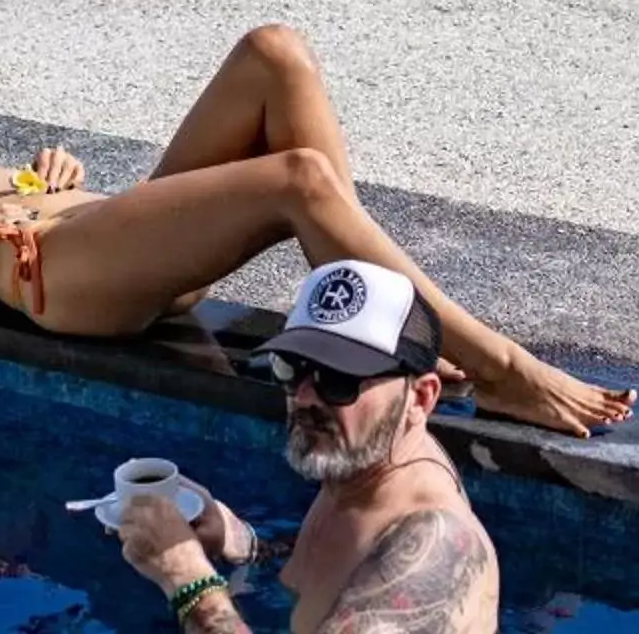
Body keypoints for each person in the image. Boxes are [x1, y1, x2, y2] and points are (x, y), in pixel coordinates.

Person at [0, 25, 635, 436]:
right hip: (66, 279)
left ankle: (389, 323)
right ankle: (501, 367)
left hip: (101, 227)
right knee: (298, 178)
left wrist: (35, 178)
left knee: (273, 54)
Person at [116, 259, 495, 634]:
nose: (304, 396)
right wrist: (246, 543)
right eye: (292, 367)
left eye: (339, 379)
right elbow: (347, 566)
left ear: (420, 398)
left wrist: (189, 580)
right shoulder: (365, 462)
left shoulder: (435, 551)